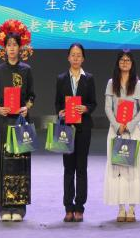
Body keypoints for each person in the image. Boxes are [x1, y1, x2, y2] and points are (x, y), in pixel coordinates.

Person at [0, 20, 35, 222]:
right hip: (4, 122)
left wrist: (27, 107)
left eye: (15, 45)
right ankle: (5, 206)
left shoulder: (26, 70)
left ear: (20, 47)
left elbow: (32, 95)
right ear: (4, 48)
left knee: (20, 164)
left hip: (20, 121)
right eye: (8, 45)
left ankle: (19, 206)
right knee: (5, 163)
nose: (11, 48)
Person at [103, 49, 140, 222]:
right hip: (116, 131)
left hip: (133, 131)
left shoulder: (138, 84)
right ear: (118, 63)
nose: (124, 63)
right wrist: (117, 125)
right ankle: (121, 207)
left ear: (132, 64)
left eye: (128, 60)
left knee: (133, 169)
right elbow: (108, 107)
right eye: (122, 60)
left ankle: (132, 209)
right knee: (118, 168)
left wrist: (130, 125)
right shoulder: (111, 83)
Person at [55, 43, 97, 222]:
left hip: (83, 128)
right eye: (73, 55)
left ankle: (79, 207)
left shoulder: (89, 78)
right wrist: (60, 112)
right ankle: (68, 207)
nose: (76, 58)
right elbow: (57, 103)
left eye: (79, 55)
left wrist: (85, 108)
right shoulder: (61, 78)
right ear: (68, 57)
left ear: (83, 58)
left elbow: (93, 103)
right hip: (66, 129)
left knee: (81, 168)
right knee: (68, 169)